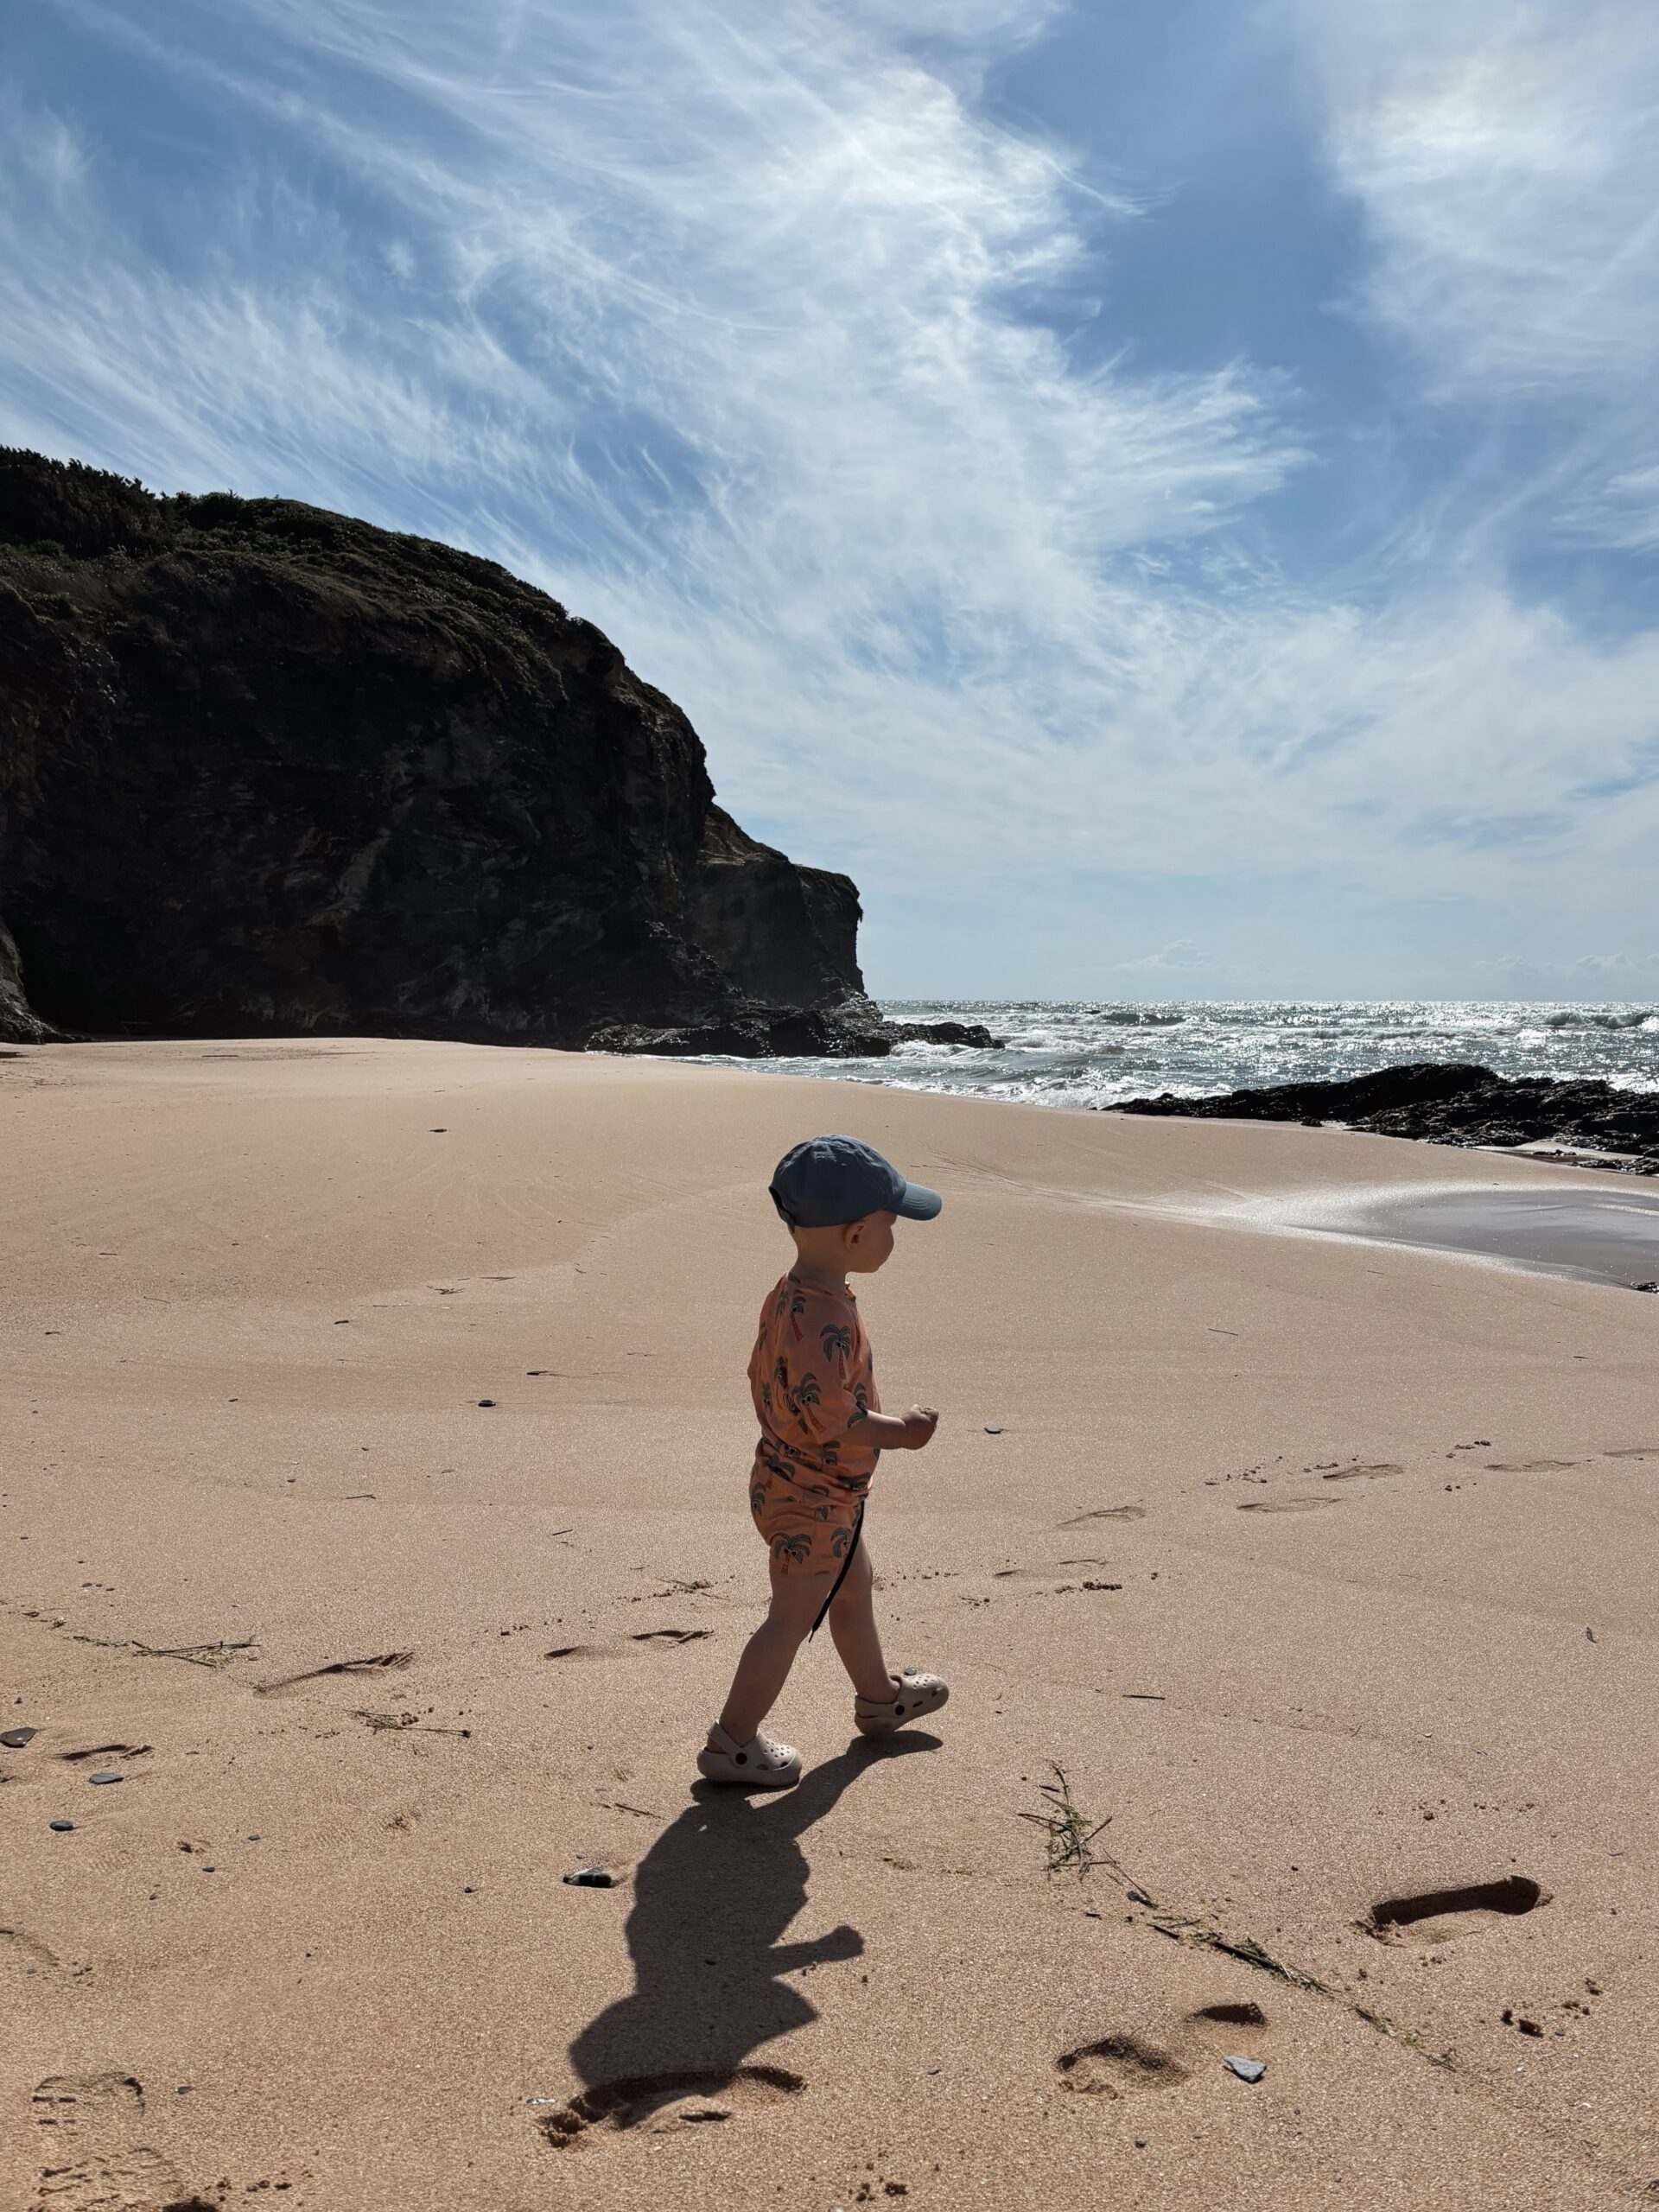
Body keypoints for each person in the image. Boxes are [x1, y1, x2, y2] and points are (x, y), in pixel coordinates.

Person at [698, 1135, 950, 1789]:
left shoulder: (793, 1292)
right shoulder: (826, 1318)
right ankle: (733, 1741)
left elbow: (769, 1380)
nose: (895, 1237)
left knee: (851, 1588)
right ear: (859, 1234)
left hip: (794, 1479)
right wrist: (906, 1432)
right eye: (892, 1227)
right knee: (790, 1617)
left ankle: (878, 1696)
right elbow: (838, 1418)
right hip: (815, 1496)